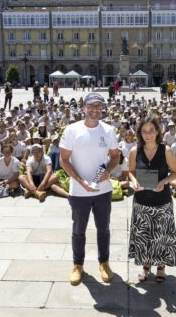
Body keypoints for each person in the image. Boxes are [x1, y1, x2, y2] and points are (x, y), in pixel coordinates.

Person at [59, 92, 120, 286]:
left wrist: (108, 171)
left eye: (98, 106)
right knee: (79, 230)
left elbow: (115, 157)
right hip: (79, 191)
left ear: (103, 108)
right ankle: (78, 265)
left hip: (102, 189)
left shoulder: (109, 130)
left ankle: (104, 262)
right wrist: (80, 182)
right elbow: (64, 160)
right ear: (83, 107)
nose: (94, 110)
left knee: (103, 229)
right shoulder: (71, 130)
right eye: (90, 106)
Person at [128, 116, 176, 283]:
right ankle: (145, 267)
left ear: (158, 132)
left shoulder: (166, 151)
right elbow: (131, 172)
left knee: (161, 236)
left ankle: (161, 267)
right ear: (140, 133)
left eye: (151, 130)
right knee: (144, 236)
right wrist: (134, 181)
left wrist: (165, 181)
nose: (148, 134)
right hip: (141, 201)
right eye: (144, 131)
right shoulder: (134, 151)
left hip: (162, 202)